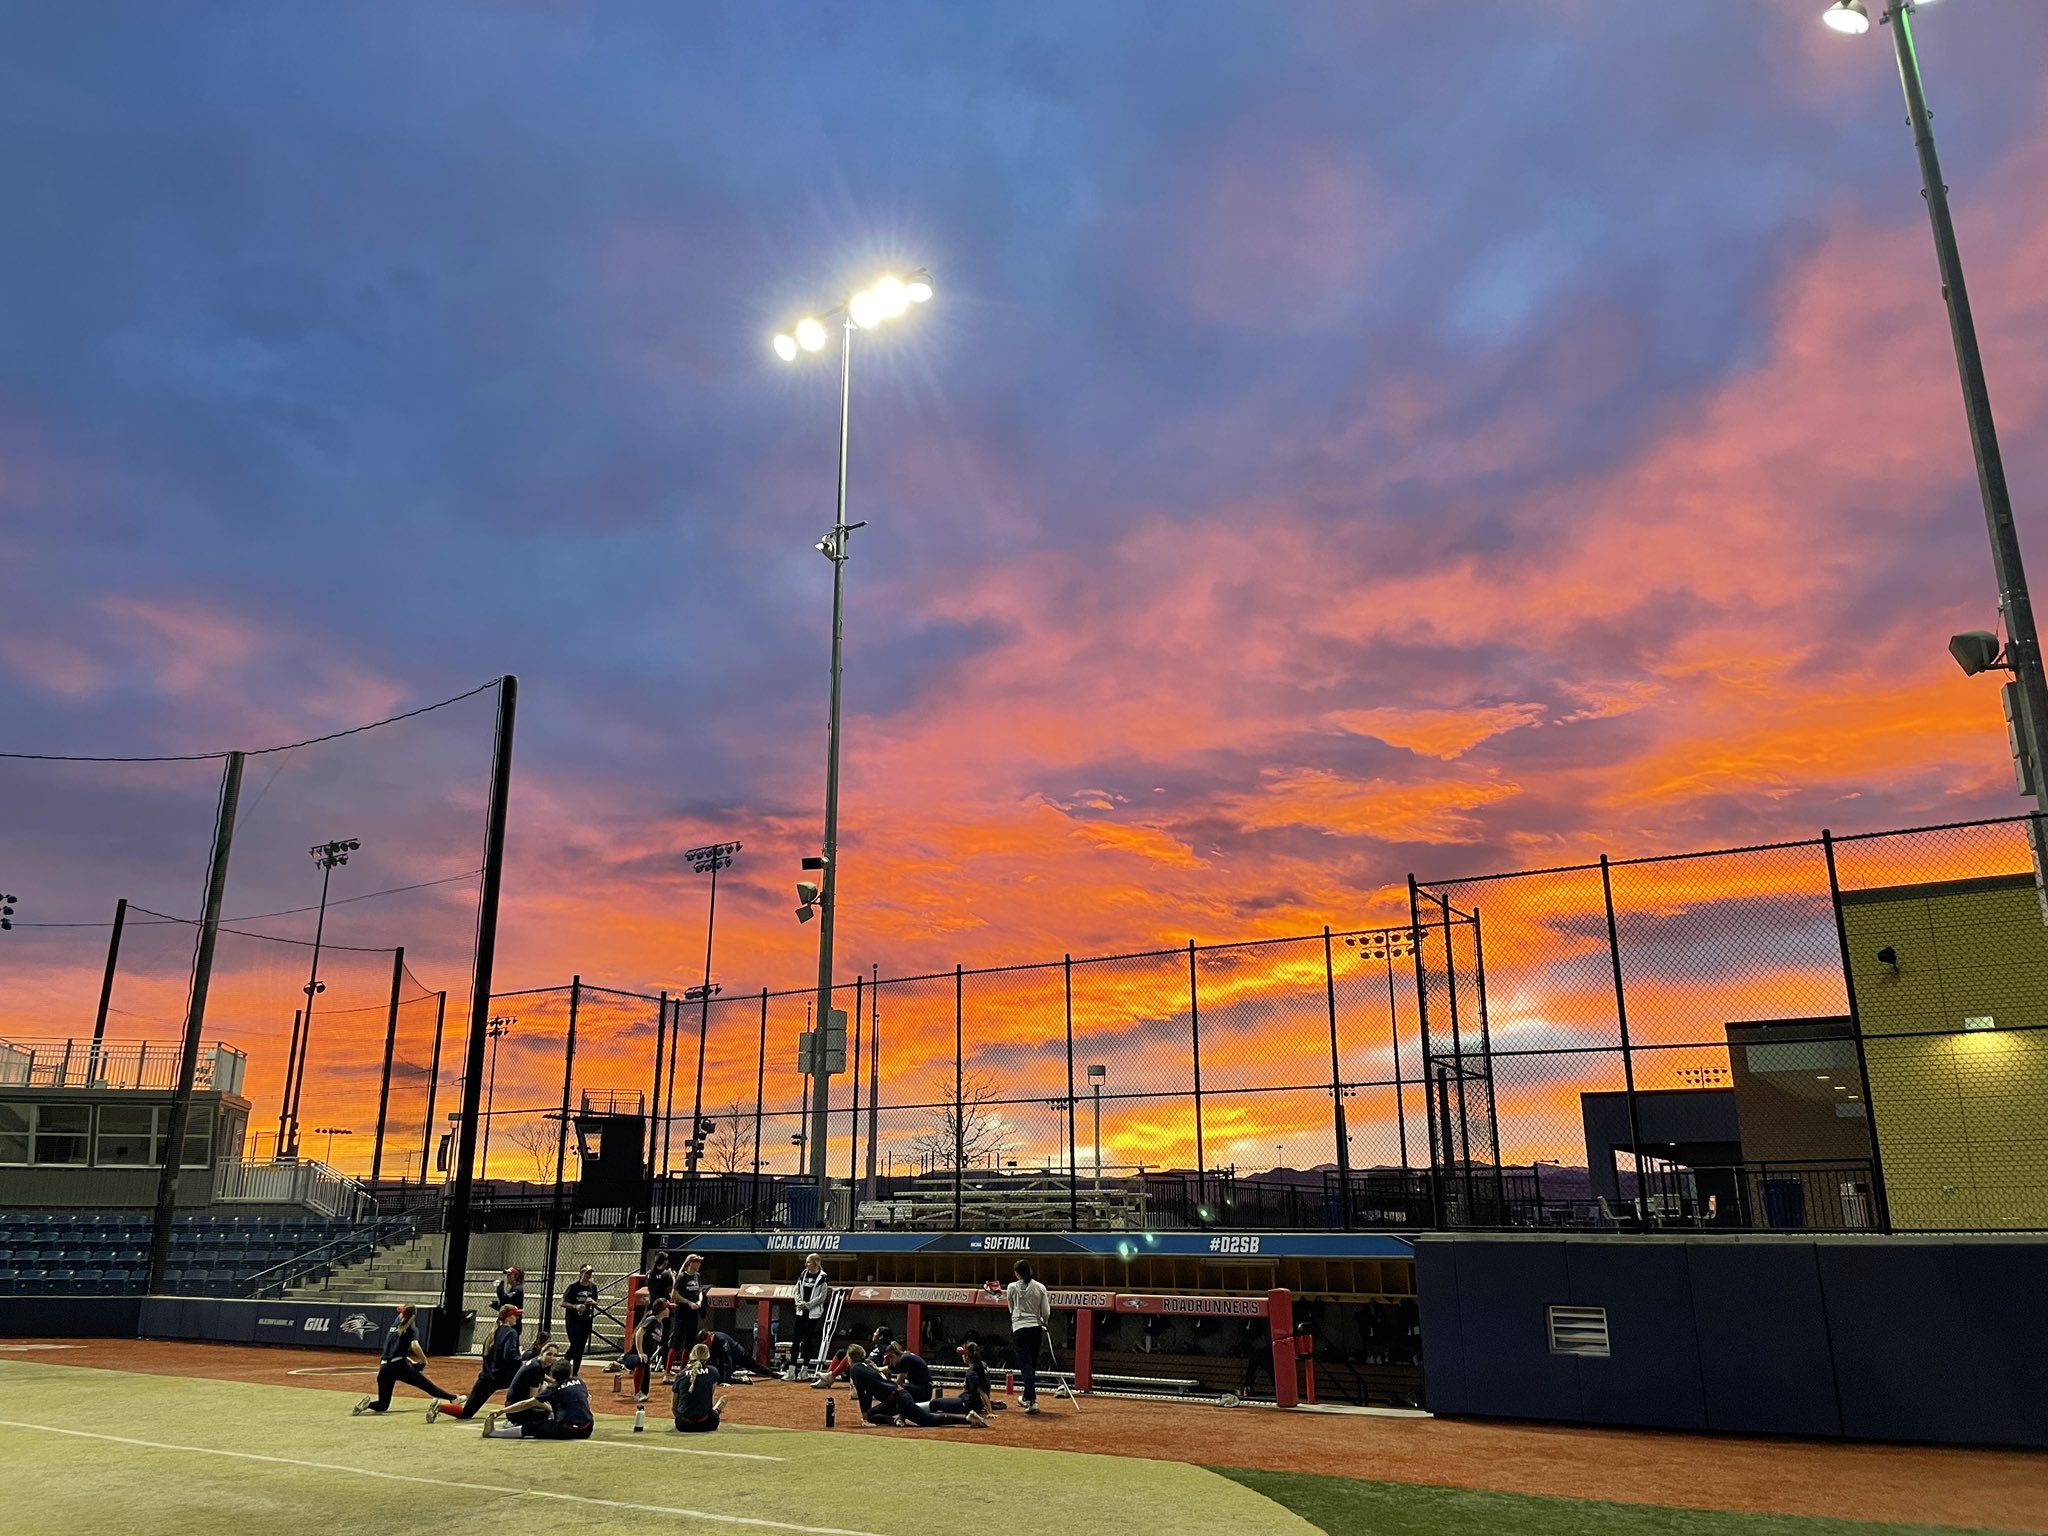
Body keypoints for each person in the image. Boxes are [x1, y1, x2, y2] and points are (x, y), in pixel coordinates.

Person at [354, 1303, 460, 1415]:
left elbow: (396, 1351)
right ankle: (452, 1398)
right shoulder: (411, 1327)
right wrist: (424, 1360)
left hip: (384, 1367)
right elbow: (415, 1346)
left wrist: (411, 1361)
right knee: (425, 1385)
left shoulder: (395, 1325)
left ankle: (367, 1405)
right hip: (399, 1367)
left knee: (383, 1405)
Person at [845, 1345, 984, 1429]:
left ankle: (967, 1419)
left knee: (929, 1420)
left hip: (899, 1398)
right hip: (895, 1397)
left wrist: (864, 1419)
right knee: (871, 1414)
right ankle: (895, 1420)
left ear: (850, 1357)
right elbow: (867, 1392)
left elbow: (863, 1395)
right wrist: (866, 1416)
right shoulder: (863, 1366)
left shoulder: (855, 1369)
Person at [434, 1305, 524, 1423]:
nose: (516, 1318)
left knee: (466, 1413)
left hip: (487, 1377)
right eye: (514, 1315)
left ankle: (440, 1406)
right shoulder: (511, 1333)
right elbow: (509, 1355)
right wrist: (521, 1362)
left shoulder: (494, 1332)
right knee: (526, 1382)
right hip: (503, 1376)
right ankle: (517, 1414)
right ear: (507, 1317)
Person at [483, 1358, 593, 1441]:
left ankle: (494, 1433)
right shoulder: (579, 1382)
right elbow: (588, 1399)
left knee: (533, 1427)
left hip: (567, 1430)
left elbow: (525, 1404)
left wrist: (502, 1411)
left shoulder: (552, 1389)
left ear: (553, 1374)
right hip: (587, 1428)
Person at [1004, 1260, 1052, 1415]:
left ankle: (1031, 1400)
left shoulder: (1011, 1287)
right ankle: (1027, 1397)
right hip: (1035, 1329)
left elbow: (1011, 1309)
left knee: (1026, 1365)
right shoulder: (1040, 1287)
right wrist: (1044, 1322)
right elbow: (1046, 1311)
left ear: (1017, 1273)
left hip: (1019, 1329)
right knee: (1031, 1365)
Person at [501, 1341, 561, 1432]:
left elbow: (542, 1376)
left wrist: (554, 1381)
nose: (552, 1358)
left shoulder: (536, 1362)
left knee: (545, 1387)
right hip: (516, 1410)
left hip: (513, 1404)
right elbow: (533, 1399)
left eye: (555, 1355)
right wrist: (550, 1409)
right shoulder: (535, 1368)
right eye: (549, 1354)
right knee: (552, 1415)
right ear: (542, 1353)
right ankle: (516, 1422)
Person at [671, 1342, 728, 1433]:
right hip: (706, 1423)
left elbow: (674, 1407)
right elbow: (708, 1395)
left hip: (683, 1425)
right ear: (707, 1356)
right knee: (721, 1401)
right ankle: (718, 1408)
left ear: (691, 1355)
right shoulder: (713, 1372)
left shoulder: (680, 1375)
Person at [791, 1252, 831, 1380]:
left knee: (807, 1340)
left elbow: (821, 1297)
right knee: (796, 1339)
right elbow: (796, 1290)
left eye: (808, 1262)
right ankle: (792, 1369)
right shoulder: (803, 1274)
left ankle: (804, 1369)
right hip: (800, 1311)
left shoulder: (822, 1277)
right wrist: (799, 1303)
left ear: (815, 1263)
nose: (806, 1264)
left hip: (813, 1313)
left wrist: (807, 1305)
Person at [930, 1340, 993, 1418]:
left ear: (967, 1356)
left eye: (963, 1354)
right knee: (951, 1402)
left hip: (968, 1405)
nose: (962, 1356)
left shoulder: (971, 1372)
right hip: (975, 1404)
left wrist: (990, 1412)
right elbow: (987, 1387)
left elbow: (982, 1392)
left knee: (935, 1403)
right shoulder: (983, 1365)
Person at [562, 1265, 599, 1376]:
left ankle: (575, 1372)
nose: (588, 1276)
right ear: (581, 1274)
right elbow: (563, 1303)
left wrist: (592, 1302)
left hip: (586, 1320)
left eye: (590, 1274)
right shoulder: (573, 1287)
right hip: (573, 1319)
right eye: (586, 1273)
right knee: (575, 1344)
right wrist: (575, 1306)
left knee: (581, 1347)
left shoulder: (593, 1287)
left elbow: (596, 1301)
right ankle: (564, 1363)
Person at [630, 1299, 669, 1402]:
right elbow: (639, 1334)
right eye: (667, 1308)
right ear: (662, 1310)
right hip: (634, 1354)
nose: (669, 1310)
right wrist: (640, 1352)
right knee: (641, 1362)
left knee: (646, 1389)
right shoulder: (652, 1319)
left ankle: (641, 1392)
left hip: (646, 1357)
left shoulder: (660, 1324)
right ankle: (637, 1393)